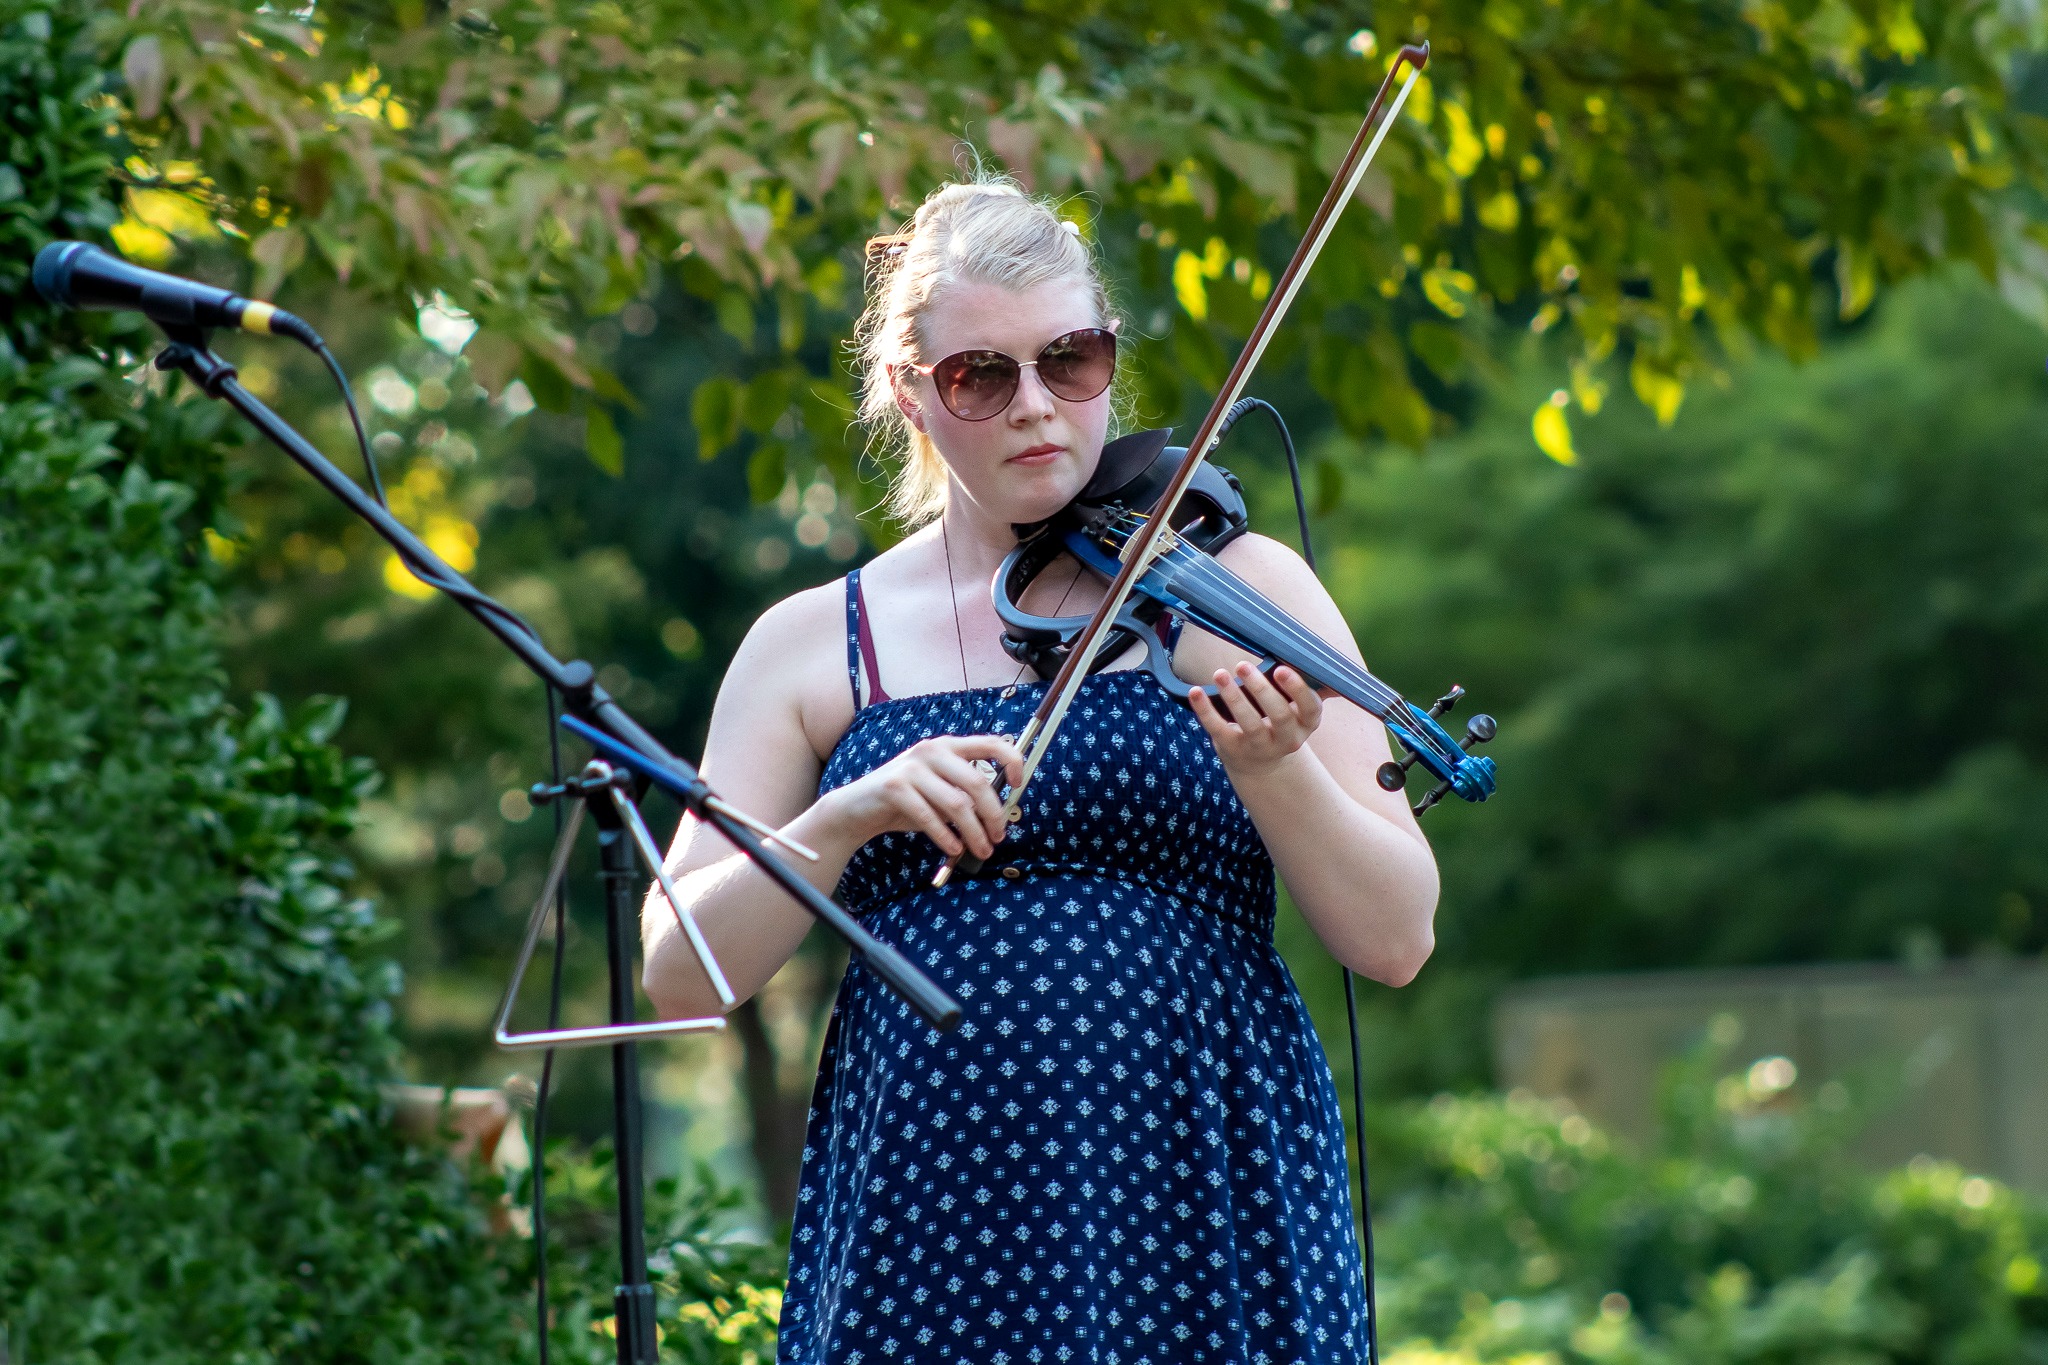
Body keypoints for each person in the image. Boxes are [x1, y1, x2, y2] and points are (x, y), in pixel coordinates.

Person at [643, 177, 1439, 1365]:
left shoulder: (1239, 590)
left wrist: (1276, 772)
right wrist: (846, 817)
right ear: (912, 391)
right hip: (926, 1206)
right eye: (981, 375)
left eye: (1069, 360)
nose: (1035, 407)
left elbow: (1395, 937)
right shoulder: (813, 642)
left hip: (1199, 1182)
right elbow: (677, 977)